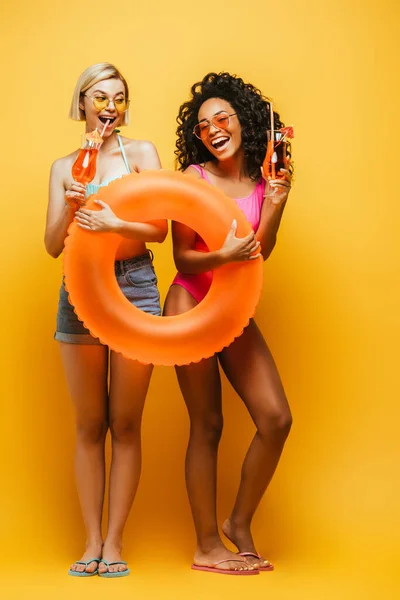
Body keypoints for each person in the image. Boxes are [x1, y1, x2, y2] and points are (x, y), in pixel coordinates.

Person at [164, 72, 292, 574]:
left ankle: (238, 523)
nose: (213, 129)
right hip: (191, 302)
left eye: (222, 118)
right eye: (202, 126)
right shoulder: (192, 180)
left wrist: (277, 204)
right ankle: (205, 546)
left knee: (276, 419)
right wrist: (222, 253)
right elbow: (183, 258)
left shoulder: (264, 181)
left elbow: (261, 252)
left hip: (235, 310)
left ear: (245, 122)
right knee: (207, 423)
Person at [44, 63, 167, 578]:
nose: (110, 105)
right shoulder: (64, 166)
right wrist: (72, 206)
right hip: (80, 286)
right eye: (100, 97)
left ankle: (115, 542)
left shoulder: (141, 154)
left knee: (127, 422)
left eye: (119, 96)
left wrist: (116, 221)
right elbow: (53, 246)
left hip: (135, 285)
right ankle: (91, 541)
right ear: (82, 104)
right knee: (90, 424)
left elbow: (159, 229)